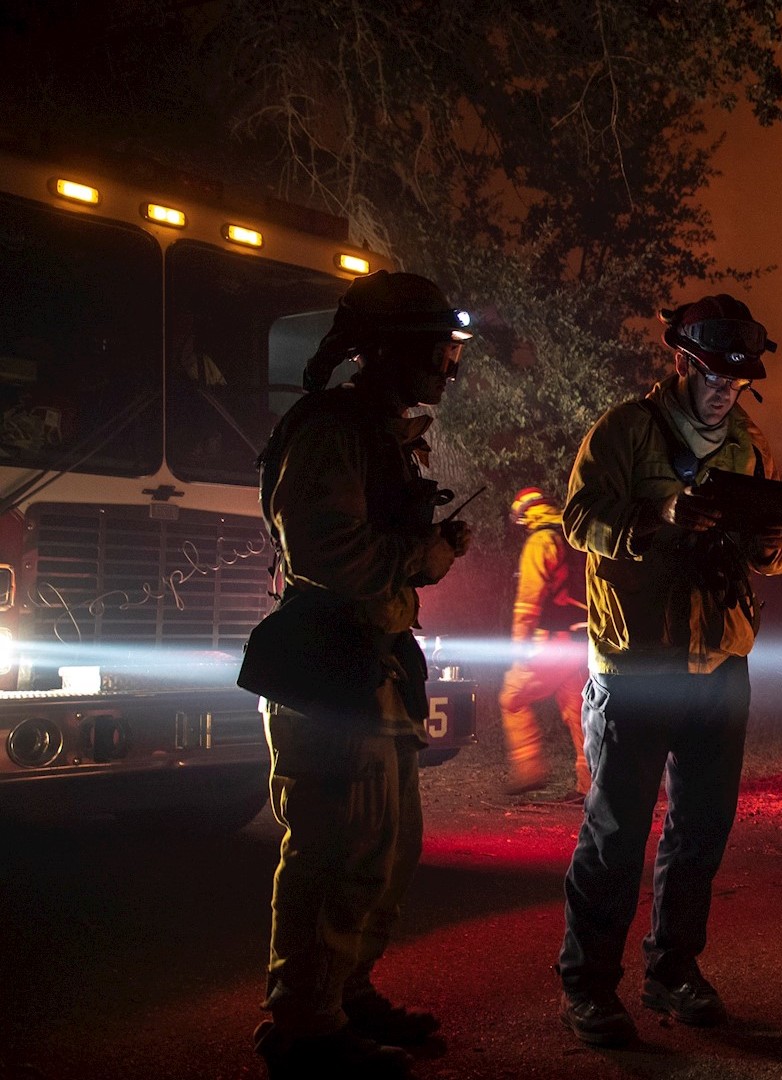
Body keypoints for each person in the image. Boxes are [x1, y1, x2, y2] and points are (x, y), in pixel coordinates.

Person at [246, 271, 474, 1078]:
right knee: (336, 848)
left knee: (385, 845)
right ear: (393, 349)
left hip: (368, 663)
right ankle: (306, 1027)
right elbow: (326, 554)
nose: (449, 365)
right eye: (439, 349)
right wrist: (428, 555)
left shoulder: (373, 431)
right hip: (327, 664)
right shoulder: (335, 431)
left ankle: (345, 993)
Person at [555, 293, 782, 1045]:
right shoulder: (624, 432)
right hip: (636, 667)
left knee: (701, 830)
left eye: (739, 377)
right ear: (682, 363)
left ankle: (673, 970)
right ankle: (590, 985)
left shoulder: (751, 448)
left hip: (721, 665)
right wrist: (657, 520)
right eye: (715, 372)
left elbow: (775, 559)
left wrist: (773, 539)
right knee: (617, 832)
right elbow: (579, 520)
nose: (728, 387)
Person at [498, 486, 591, 799]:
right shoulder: (576, 540)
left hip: (547, 644)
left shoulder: (540, 542)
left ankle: (529, 770)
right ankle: (590, 784)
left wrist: (518, 651)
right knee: (579, 712)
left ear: (527, 514)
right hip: (581, 643)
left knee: (512, 698)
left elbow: (528, 604)